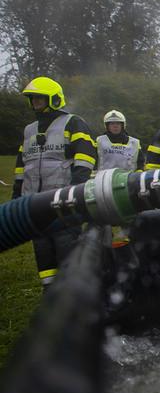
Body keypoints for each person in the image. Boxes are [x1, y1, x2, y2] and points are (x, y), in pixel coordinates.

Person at [12, 76, 97, 289]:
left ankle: (71, 292)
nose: (35, 102)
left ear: (54, 99)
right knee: (42, 249)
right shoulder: (29, 130)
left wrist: (74, 191)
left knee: (66, 246)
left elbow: (85, 158)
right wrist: (16, 194)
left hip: (62, 201)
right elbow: (22, 166)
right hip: (33, 203)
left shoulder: (73, 122)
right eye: (33, 98)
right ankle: (49, 290)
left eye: (40, 98)